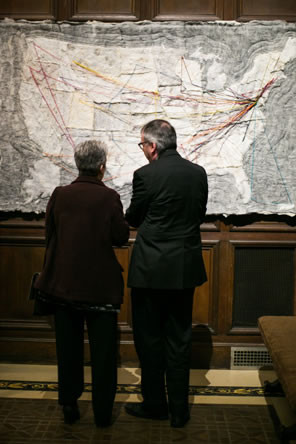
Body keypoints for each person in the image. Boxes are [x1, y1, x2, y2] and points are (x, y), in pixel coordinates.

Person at [34, 139, 129, 427]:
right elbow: (121, 237)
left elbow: (48, 234)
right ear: (102, 166)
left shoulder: (60, 194)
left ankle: (69, 405)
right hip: (100, 287)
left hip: (63, 285)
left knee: (68, 348)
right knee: (103, 352)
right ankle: (102, 412)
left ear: (78, 164)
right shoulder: (110, 197)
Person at [125, 119, 208, 428]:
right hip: (184, 268)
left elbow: (134, 218)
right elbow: (198, 215)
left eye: (142, 145)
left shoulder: (144, 175)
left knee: (149, 338)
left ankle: (155, 405)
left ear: (153, 146)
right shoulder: (197, 173)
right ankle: (179, 410)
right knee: (179, 337)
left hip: (150, 270)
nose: (143, 151)